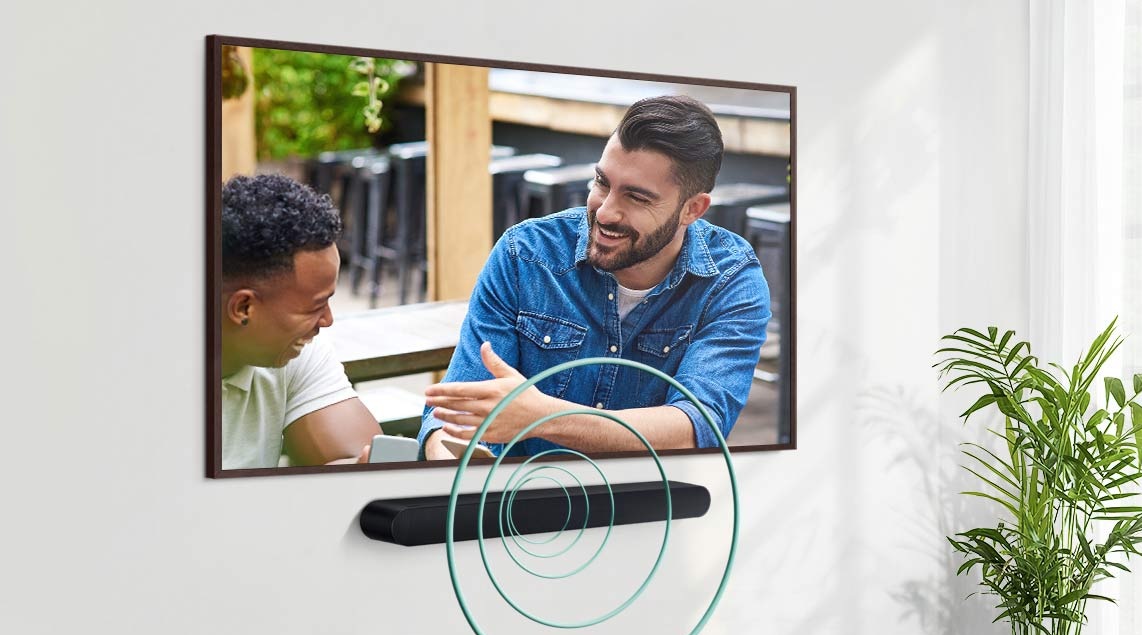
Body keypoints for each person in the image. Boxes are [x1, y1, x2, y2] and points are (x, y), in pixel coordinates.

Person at [420, 95, 771, 460]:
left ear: (692, 209)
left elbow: (696, 430)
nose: (605, 212)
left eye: (636, 198)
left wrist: (543, 418)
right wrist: (451, 461)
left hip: (653, 494)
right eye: (602, 182)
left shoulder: (730, 282)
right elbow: (455, 416)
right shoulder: (525, 254)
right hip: (517, 493)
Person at [219, 174, 382, 469]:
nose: (328, 320)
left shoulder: (293, 350)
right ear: (244, 308)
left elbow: (365, 457)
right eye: (316, 306)